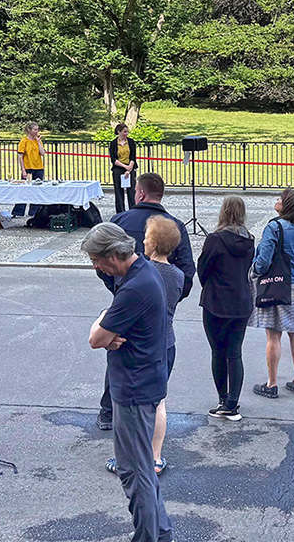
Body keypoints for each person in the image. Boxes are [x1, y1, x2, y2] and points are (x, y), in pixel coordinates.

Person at [83, 222, 172, 542]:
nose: (95, 266)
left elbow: (95, 337)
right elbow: (106, 331)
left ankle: (150, 536)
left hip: (134, 389)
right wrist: (107, 326)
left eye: (97, 260)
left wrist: (102, 325)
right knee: (140, 469)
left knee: (135, 473)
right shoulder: (143, 274)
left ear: (115, 255)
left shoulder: (135, 288)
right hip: (141, 383)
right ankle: (160, 533)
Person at [97, 172, 195, 431]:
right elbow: (187, 272)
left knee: (118, 354)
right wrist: (167, 299)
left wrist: (118, 287)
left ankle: (109, 411)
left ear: (139, 193)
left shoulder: (120, 221)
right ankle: (149, 429)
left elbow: (101, 262)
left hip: (125, 297)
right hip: (160, 315)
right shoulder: (175, 226)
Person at [249, 189, 294, 399]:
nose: (277, 200)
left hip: (275, 283)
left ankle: (272, 383)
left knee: (273, 335)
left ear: (287, 207)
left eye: (280, 199)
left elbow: (264, 259)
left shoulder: (273, 228)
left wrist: (254, 270)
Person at [196, 197, 254, 421]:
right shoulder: (249, 240)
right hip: (241, 301)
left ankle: (223, 399)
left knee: (217, 352)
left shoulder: (215, 239)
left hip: (216, 301)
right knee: (235, 352)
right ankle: (233, 402)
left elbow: (203, 268)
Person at [141, 215, 184, 476]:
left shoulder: (143, 271)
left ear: (154, 245)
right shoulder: (177, 276)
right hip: (167, 341)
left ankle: (134, 455)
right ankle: (156, 456)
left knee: (136, 403)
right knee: (159, 401)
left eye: (147, 236)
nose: (143, 240)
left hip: (145, 343)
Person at [14, 122, 45, 222]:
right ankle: (19, 210)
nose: (37, 131)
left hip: (38, 167)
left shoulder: (37, 141)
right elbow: (20, 156)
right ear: (29, 130)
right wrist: (23, 170)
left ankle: (34, 210)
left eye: (37, 129)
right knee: (24, 190)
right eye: (35, 130)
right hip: (28, 167)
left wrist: (39, 141)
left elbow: (43, 153)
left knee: (37, 190)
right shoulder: (24, 141)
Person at [109, 123, 138, 215]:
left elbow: (133, 156)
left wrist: (129, 167)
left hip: (130, 166)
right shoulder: (113, 143)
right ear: (119, 132)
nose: (126, 134)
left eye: (127, 132)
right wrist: (124, 167)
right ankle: (120, 212)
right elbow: (113, 159)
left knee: (131, 191)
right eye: (124, 132)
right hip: (118, 168)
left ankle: (133, 211)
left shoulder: (131, 141)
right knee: (118, 191)